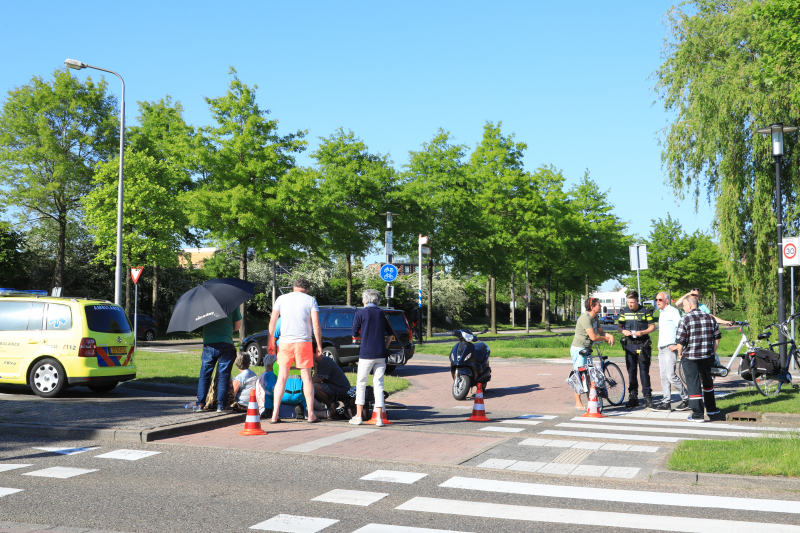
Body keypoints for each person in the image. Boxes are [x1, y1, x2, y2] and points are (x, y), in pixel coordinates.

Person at [267, 278, 321, 423]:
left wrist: (270, 342)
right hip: (304, 343)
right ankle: (310, 414)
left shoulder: (281, 298)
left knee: (281, 379)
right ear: (307, 289)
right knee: (307, 378)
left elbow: (272, 322)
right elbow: (316, 324)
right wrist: (319, 345)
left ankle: (274, 414)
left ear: (294, 288)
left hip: (284, 342)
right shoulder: (311, 300)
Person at [349, 288, 395, 426]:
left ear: (365, 300)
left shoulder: (360, 313)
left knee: (361, 383)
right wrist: (385, 347)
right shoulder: (382, 313)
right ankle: (380, 418)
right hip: (381, 354)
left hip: (366, 354)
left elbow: (354, 333)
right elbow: (391, 334)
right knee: (379, 385)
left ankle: (358, 416)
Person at [675, 296, 722, 422]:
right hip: (707, 355)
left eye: (684, 306)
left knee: (693, 383)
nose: (684, 308)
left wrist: (680, 353)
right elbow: (717, 337)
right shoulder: (710, 318)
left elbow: (680, 340)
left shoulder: (685, 319)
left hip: (690, 357)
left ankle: (698, 414)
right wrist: (713, 351)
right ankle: (711, 408)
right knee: (708, 381)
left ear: (690, 305)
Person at [570, 297, 615, 409]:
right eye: (598, 305)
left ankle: (592, 399)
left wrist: (608, 335)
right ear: (592, 307)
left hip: (587, 348)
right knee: (580, 375)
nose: (600, 306)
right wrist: (605, 338)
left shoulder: (595, 318)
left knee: (589, 375)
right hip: (579, 349)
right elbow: (594, 337)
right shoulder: (585, 318)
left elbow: (601, 332)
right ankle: (578, 403)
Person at [195, 307, 242, 412]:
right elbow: (237, 326)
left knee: (205, 375)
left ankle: (200, 404)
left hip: (208, 343)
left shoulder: (205, 304)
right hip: (225, 342)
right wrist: (227, 329)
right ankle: (221, 405)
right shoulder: (232, 303)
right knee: (223, 376)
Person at [617, 290, 656, 409]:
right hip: (630, 345)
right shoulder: (624, 311)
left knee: (644, 371)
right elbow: (619, 326)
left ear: (637, 301)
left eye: (632, 302)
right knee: (631, 371)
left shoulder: (645, 311)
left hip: (641, 346)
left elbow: (653, 327)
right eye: (628, 302)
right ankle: (633, 397)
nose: (630, 304)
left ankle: (647, 397)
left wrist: (642, 332)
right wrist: (623, 331)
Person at [653, 292, 689, 411]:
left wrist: (677, 345)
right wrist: (659, 345)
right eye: (656, 299)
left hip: (670, 347)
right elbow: (663, 330)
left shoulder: (672, 311)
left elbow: (681, 327)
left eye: (660, 299)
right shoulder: (661, 312)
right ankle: (666, 402)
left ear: (666, 301)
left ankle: (686, 397)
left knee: (670, 375)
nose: (657, 301)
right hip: (662, 348)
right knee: (663, 376)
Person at [312, 349, 351, 419]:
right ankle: (329, 408)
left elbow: (318, 380)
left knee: (315, 387)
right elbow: (315, 379)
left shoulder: (325, 361)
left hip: (341, 388)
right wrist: (316, 367)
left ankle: (331, 408)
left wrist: (307, 384)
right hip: (334, 386)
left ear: (316, 353)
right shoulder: (319, 362)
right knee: (312, 386)